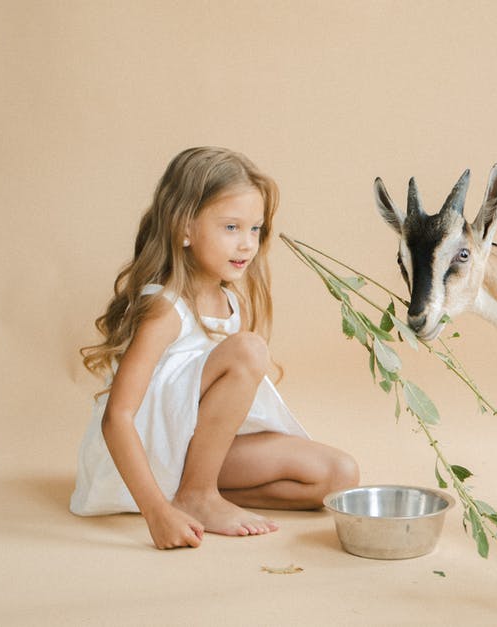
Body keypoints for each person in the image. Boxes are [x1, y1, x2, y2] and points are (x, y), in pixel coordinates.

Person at [72, 146, 359, 549]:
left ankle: (196, 495)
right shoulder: (165, 307)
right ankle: (194, 496)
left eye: (255, 229)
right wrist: (156, 512)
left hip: (193, 455)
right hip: (150, 454)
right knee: (248, 350)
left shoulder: (231, 304)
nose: (247, 244)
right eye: (231, 228)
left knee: (338, 476)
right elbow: (117, 416)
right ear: (184, 229)